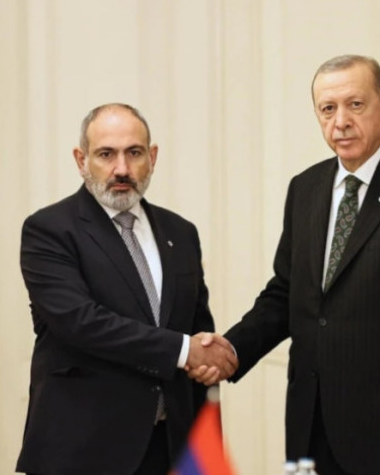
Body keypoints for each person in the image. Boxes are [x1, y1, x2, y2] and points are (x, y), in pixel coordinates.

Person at [193, 55, 380, 474]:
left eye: (355, 105)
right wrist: (232, 349)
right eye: (328, 109)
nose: (340, 121)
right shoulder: (305, 188)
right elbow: (286, 293)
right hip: (310, 425)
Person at [16, 103, 237, 475]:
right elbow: (81, 322)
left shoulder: (181, 233)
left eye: (134, 153)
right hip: (83, 452)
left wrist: (209, 362)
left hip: (171, 448)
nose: (121, 169)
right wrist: (186, 351)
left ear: (152, 158)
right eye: (106, 154)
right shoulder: (49, 229)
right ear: (81, 160)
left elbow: (196, 328)